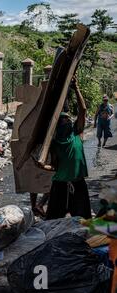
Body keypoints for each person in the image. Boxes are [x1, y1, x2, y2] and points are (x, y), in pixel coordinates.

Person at [45, 76, 91, 220]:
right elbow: (55, 166)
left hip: (78, 183)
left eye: (68, 119)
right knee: (53, 220)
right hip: (59, 185)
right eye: (63, 120)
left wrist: (76, 88)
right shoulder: (55, 143)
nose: (67, 121)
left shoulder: (76, 133)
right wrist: (42, 166)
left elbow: (82, 110)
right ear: (57, 125)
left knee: (84, 220)